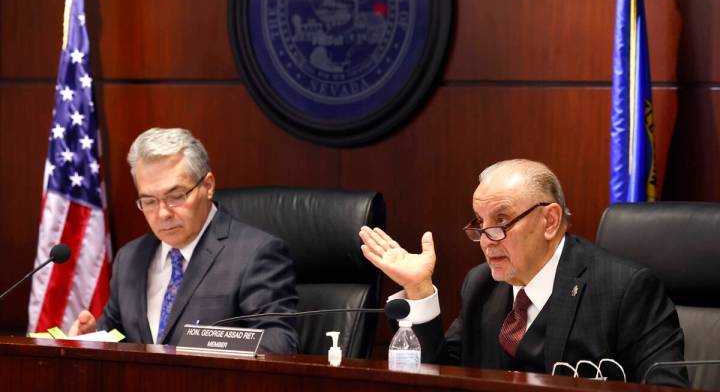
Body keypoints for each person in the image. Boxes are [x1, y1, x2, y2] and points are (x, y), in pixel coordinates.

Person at [359, 159, 687, 386]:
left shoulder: (625, 290)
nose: (487, 240)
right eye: (479, 222)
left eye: (501, 221)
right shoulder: (481, 286)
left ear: (550, 221)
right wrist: (419, 289)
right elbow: (439, 376)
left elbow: (665, 388)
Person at [70, 127, 298, 352]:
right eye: (149, 201)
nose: (162, 213)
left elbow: (278, 344)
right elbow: (118, 338)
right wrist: (92, 340)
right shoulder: (129, 258)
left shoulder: (256, 254)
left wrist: (205, 348)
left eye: (176, 196)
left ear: (208, 186)